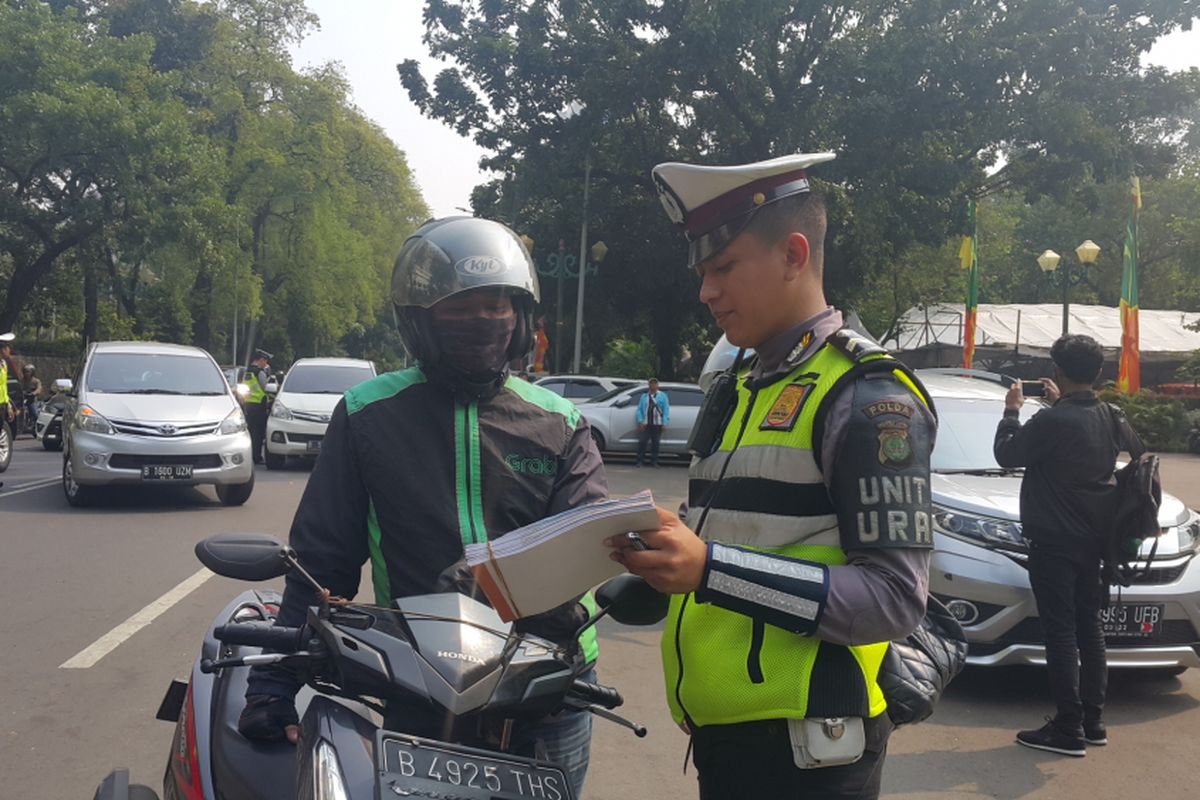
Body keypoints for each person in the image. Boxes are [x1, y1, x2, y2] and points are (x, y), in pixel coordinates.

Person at [239, 216, 607, 797]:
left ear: (520, 320)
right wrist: (273, 685)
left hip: (548, 686)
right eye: (459, 309)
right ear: (419, 321)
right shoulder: (367, 414)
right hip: (421, 680)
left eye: (495, 307)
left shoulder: (559, 423)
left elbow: (582, 547)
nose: (481, 323)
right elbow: (322, 559)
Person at [608, 153, 937, 799]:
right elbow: (744, 531)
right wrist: (669, 549)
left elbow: (894, 599)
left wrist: (712, 569)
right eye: (703, 272)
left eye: (724, 268)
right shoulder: (741, 385)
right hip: (728, 739)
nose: (706, 292)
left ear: (793, 254)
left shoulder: (868, 399)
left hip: (808, 756)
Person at [994, 334, 1145, 757]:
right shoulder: (1111, 415)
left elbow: (1006, 454)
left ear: (1058, 371)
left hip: (1053, 541)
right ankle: (1093, 722)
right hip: (1097, 542)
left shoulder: (1052, 421)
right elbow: (1139, 456)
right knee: (1090, 629)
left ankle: (1067, 728)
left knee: (1060, 631)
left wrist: (1011, 411)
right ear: (1098, 373)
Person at [242, 349, 272, 464]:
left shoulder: (246, 372)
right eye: (265, 361)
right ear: (261, 360)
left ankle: (248, 455)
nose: (266, 364)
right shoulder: (260, 373)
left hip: (248, 405)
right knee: (258, 434)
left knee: (249, 432)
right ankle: (257, 457)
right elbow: (265, 388)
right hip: (259, 406)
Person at [635, 378, 670, 467]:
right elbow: (639, 410)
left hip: (657, 423)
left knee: (656, 443)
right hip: (646, 423)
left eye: (655, 384)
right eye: (651, 384)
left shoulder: (662, 396)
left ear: (657, 385)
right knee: (642, 442)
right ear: (649, 385)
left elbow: (666, 410)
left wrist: (664, 423)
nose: (653, 385)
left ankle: (654, 461)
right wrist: (640, 421)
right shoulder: (644, 396)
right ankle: (640, 460)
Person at [20, 364, 42, 435]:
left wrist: (33, 393)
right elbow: (19, 388)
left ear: (32, 372)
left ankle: (36, 427)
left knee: (35, 413)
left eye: (28, 372)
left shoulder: (36, 381)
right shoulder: (22, 381)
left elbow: (39, 389)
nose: (27, 373)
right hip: (23, 399)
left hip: (31, 400)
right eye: (25, 371)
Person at [0, 333, 16, 430]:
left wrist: (8, 406)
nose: (9, 350)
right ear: (2, 350)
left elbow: (3, 387)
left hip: (2, 405)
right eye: (8, 347)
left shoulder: (4, 364)